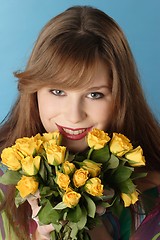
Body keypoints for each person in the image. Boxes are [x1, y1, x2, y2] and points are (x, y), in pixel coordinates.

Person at [0, 5, 160, 240]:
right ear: (34, 93)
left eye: (94, 95)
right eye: (57, 91)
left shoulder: (152, 196)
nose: (74, 115)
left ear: (120, 97)